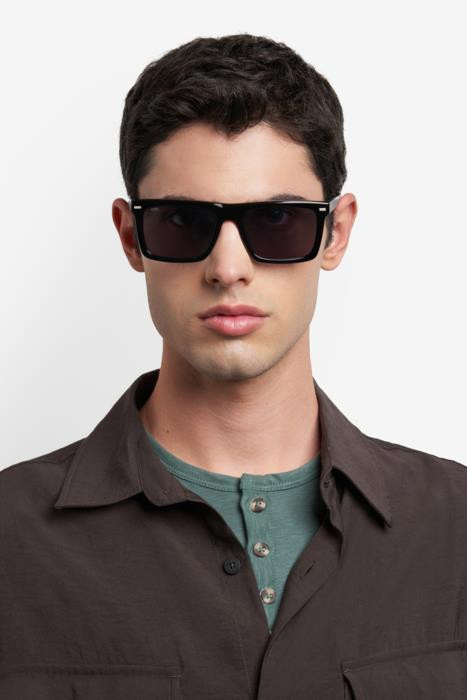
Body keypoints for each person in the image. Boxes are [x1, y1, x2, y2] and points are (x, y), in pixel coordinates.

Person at [2, 33, 467, 700]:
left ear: (334, 233)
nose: (227, 268)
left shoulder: (453, 528)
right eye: (182, 221)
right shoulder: (11, 538)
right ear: (131, 236)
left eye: (275, 220)